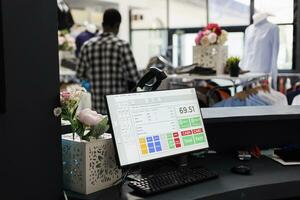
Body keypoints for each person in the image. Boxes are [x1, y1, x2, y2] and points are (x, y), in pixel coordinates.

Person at [76, 9, 140, 114]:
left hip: (97, 112)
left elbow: (79, 74)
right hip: (118, 110)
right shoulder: (122, 45)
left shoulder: (87, 45)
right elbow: (134, 77)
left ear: (102, 24)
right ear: (117, 25)